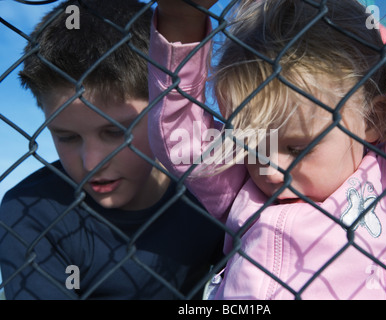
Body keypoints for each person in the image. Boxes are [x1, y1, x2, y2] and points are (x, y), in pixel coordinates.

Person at [148, 0, 386, 299]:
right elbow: (181, 138)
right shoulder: (242, 189)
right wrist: (180, 20)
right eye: (253, 146)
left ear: (374, 117)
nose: (273, 171)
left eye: (298, 148)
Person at [0, 0, 224, 300]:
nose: (91, 162)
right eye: (66, 137)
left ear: (163, 114)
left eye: (116, 131)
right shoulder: (29, 211)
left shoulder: (213, 190)